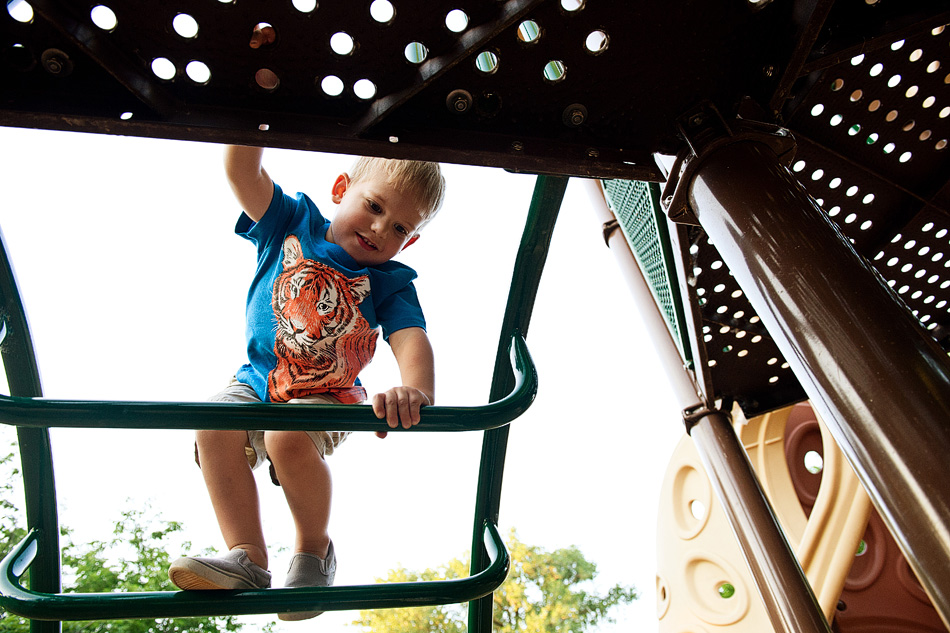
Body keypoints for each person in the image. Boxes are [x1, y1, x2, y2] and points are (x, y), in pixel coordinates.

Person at [168, 145, 445, 621]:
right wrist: (254, 120)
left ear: (411, 241)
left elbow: (411, 339)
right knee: (211, 421)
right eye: (374, 206)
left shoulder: (388, 282)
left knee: (288, 435)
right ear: (341, 190)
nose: (380, 227)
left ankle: (314, 552)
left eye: (400, 227)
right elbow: (242, 170)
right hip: (257, 381)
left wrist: (416, 389)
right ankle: (247, 555)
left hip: (328, 395)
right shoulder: (289, 223)